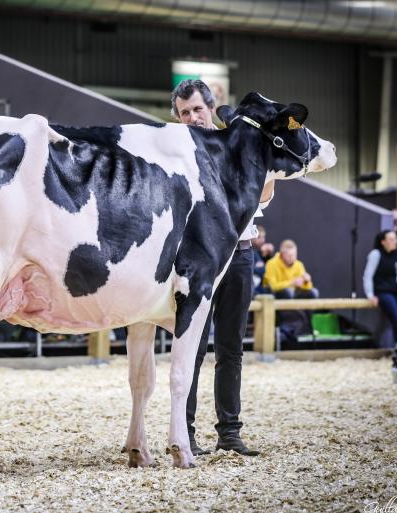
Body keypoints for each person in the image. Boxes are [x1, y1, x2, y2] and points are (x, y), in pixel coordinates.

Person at [172, 79, 271, 457]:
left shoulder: (237, 142)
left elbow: (266, 190)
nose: (192, 117)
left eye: (197, 109)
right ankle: (187, 431)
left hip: (241, 251)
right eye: (184, 112)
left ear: (212, 108)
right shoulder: (179, 151)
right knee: (192, 347)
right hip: (199, 257)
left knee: (231, 347)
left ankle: (230, 432)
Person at [363, 230, 397, 344]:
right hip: (383, 291)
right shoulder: (376, 254)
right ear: (383, 242)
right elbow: (368, 276)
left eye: (395, 239)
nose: (394, 242)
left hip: (396, 290)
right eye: (391, 239)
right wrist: (370, 295)